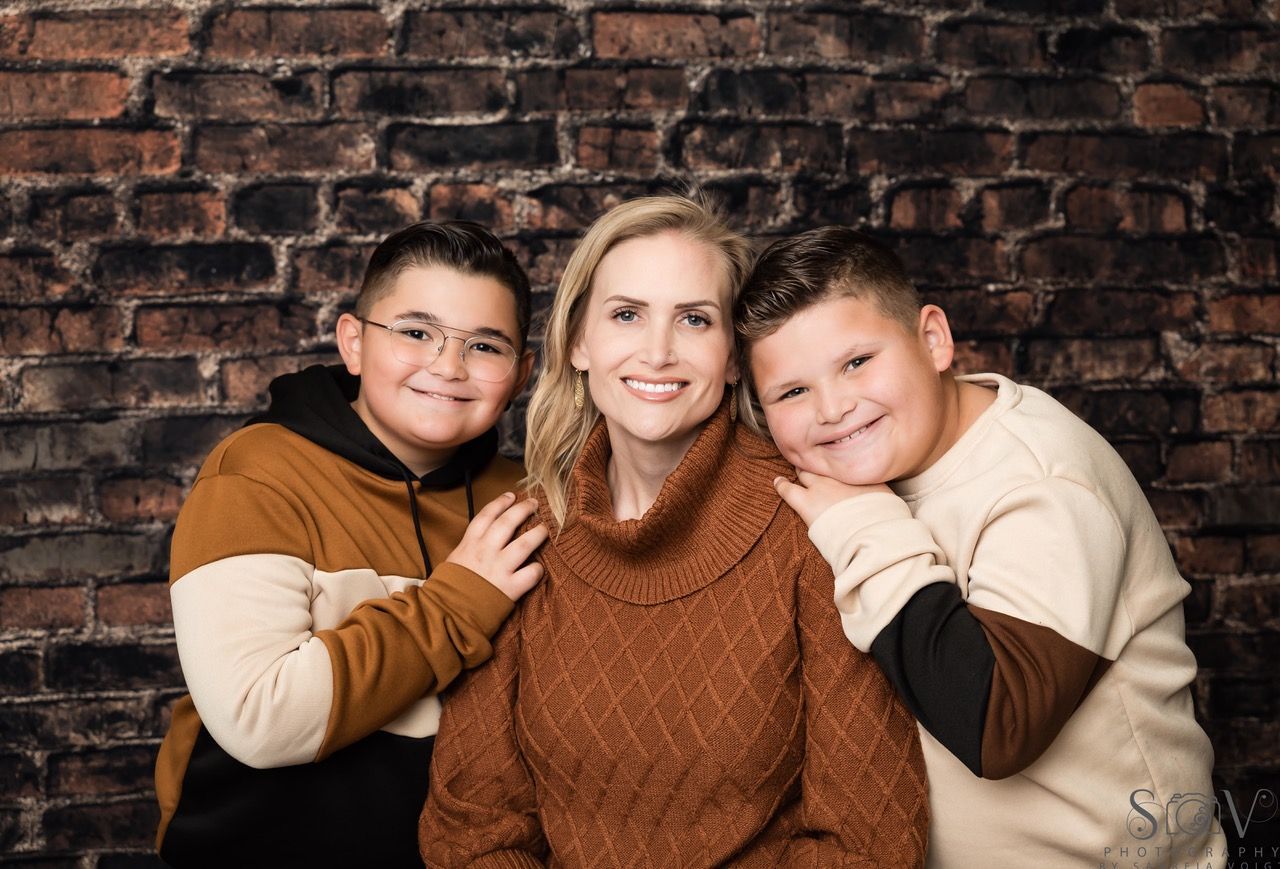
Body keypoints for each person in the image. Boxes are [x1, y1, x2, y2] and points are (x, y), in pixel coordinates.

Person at [419, 195, 929, 868]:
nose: (658, 353)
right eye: (627, 315)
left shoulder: (812, 526)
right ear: (578, 342)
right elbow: (474, 833)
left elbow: (869, 843)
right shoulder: (520, 533)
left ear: (734, 358)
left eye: (694, 319)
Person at [736, 225, 1225, 866]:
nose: (832, 408)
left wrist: (865, 523)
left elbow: (1001, 725)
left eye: (857, 362)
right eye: (793, 392)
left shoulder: (1045, 484)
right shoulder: (859, 463)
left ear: (933, 339)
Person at [153, 221, 548, 868]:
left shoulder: (528, 502)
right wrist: (459, 602)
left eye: (484, 345)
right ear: (355, 343)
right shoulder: (257, 474)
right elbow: (259, 718)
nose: (448, 366)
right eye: (416, 333)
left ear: (521, 373)